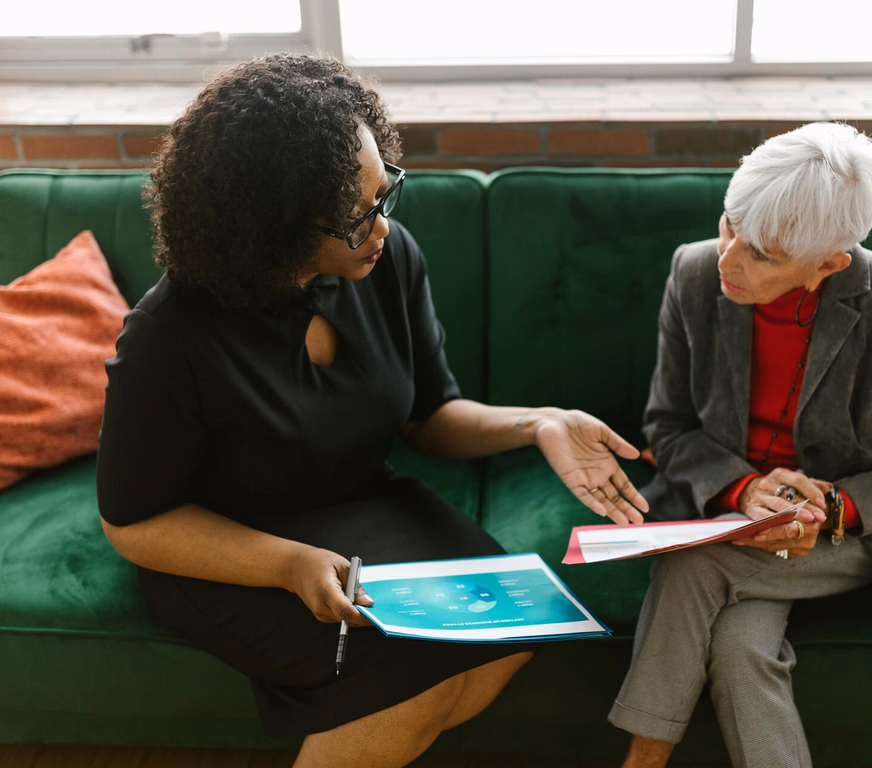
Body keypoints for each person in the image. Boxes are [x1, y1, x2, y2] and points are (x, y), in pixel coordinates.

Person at [95, 53, 648, 768]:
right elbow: (134, 521)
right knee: (407, 682)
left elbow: (431, 416)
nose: (382, 228)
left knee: (512, 639)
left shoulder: (386, 261)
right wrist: (287, 565)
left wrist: (537, 420)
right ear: (275, 227)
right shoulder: (170, 335)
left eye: (385, 194)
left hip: (365, 504)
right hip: (235, 542)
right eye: (357, 219)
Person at [609, 122, 872, 768]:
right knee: (741, 644)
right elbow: (667, 427)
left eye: (762, 254)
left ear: (831, 262)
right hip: (729, 512)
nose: (728, 259)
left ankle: (642, 761)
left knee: (693, 565)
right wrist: (745, 490)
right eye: (728, 225)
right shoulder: (694, 273)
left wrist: (828, 510)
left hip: (849, 529)